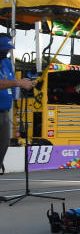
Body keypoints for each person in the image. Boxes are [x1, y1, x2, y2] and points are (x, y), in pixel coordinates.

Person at [0, 35, 37, 173]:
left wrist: (26, 82)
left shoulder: (7, 63)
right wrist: (18, 82)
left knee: (2, 149)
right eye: (4, 49)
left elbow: (10, 81)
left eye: (8, 49)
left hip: (4, 112)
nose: (7, 52)